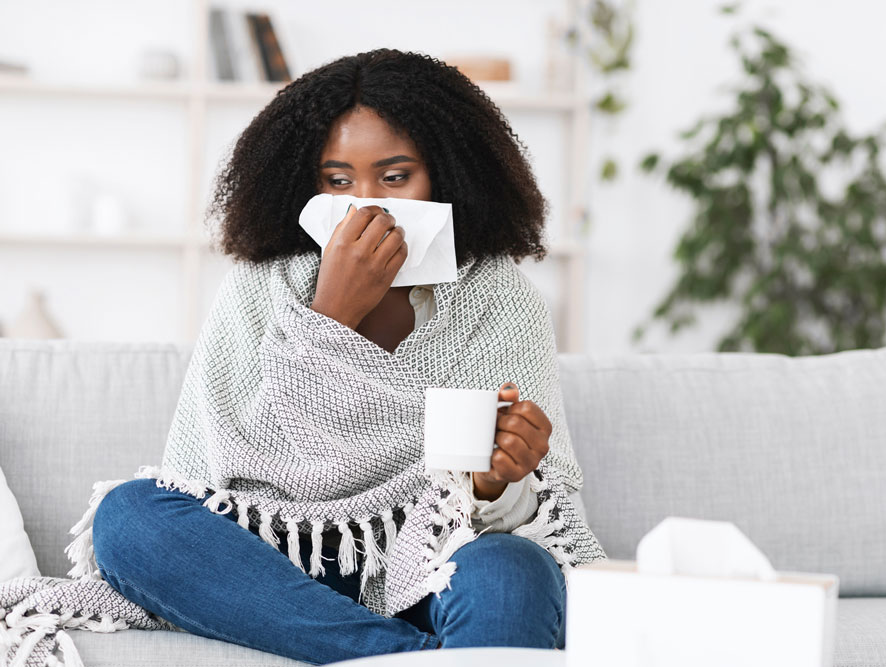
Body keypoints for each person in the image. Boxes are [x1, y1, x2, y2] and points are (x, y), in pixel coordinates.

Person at [89, 49, 605, 666]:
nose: (366, 208)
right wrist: (329, 316)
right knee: (128, 518)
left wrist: (496, 483)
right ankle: (402, 656)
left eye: (394, 177)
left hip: (428, 560)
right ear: (305, 185)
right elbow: (207, 477)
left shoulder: (500, 299)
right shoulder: (263, 287)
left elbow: (527, 513)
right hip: (272, 568)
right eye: (338, 180)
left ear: (445, 175)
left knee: (513, 568)